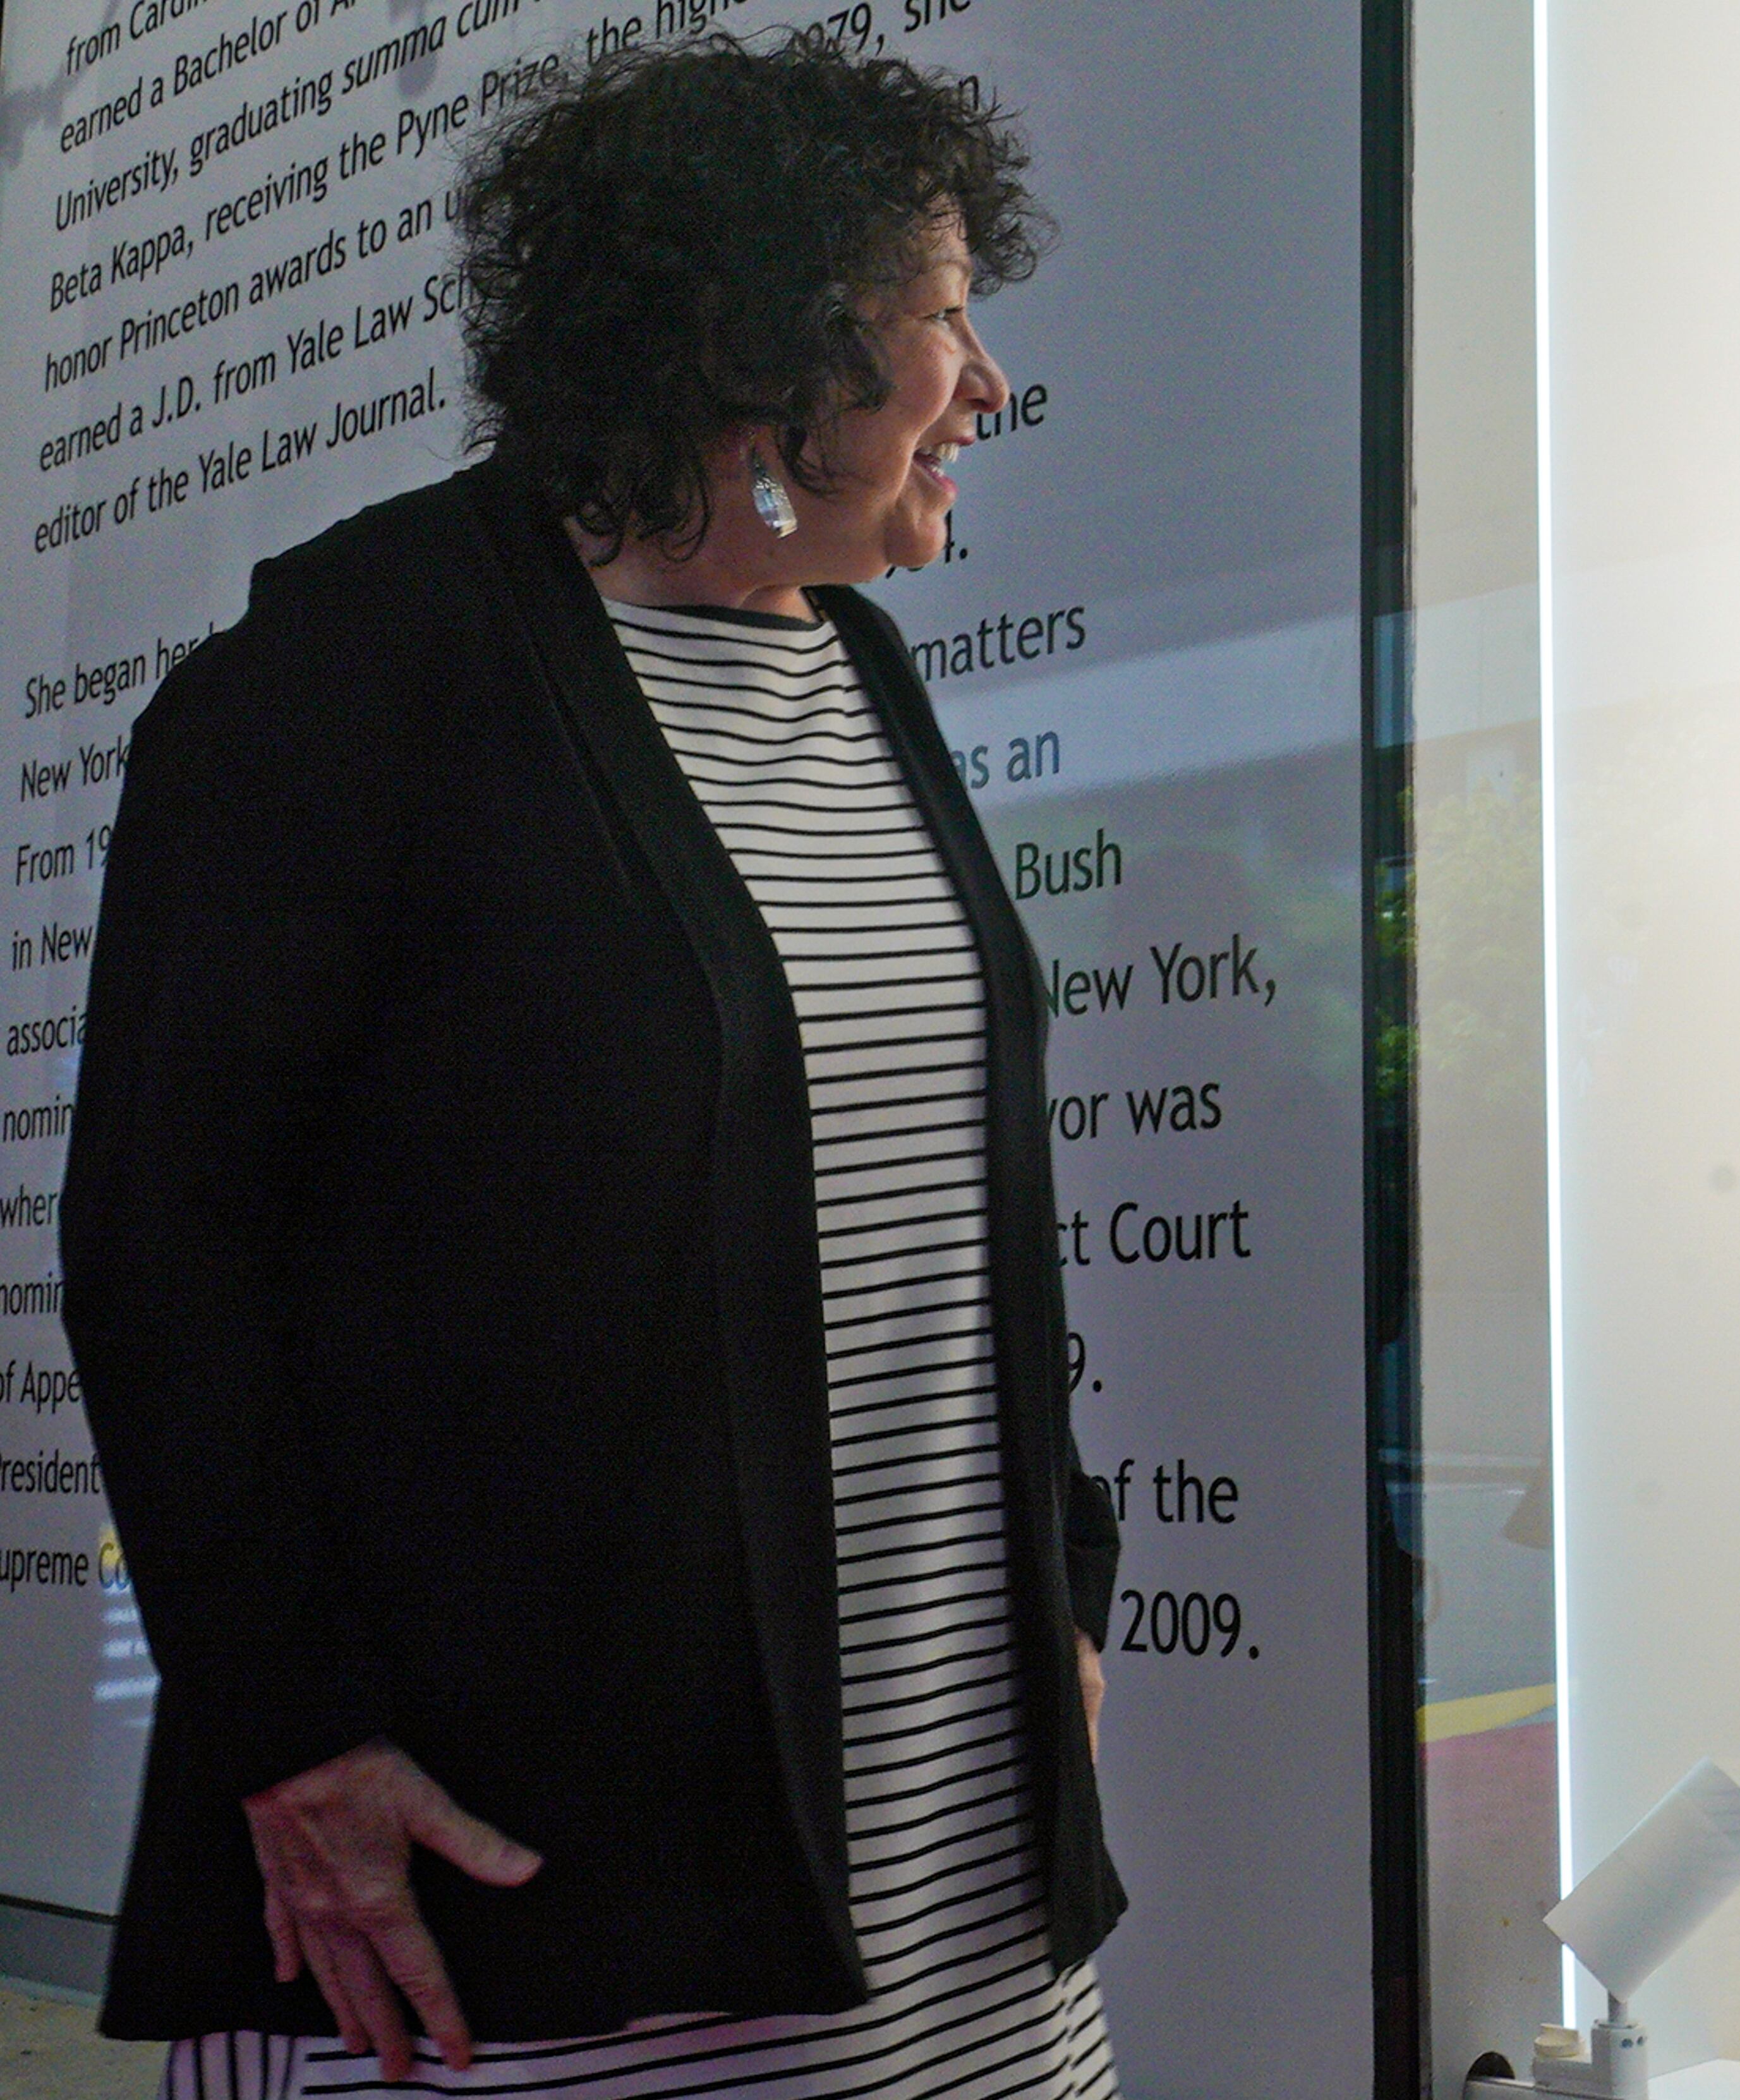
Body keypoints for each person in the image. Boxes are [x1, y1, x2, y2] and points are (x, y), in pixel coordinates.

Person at [63, 33, 1125, 2098]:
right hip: (533, 1902)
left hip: (954, 1867)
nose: (989, 382)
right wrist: (292, 1730)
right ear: (759, 348)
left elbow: (950, 1208)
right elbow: (162, 1251)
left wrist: (1058, 1580)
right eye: (941, 316)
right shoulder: (344, 678)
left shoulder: (861, 668)